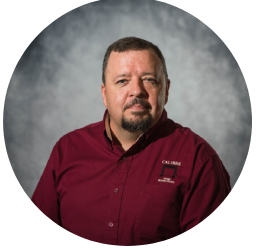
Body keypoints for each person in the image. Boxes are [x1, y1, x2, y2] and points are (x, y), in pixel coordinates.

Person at [31, 36, 231, 249]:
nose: (137, 91)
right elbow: (42, 238)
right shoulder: (66, 151)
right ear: (105, 94)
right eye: (122, 81)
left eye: (149, 80)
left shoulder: (199, 161)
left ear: (166, 90)